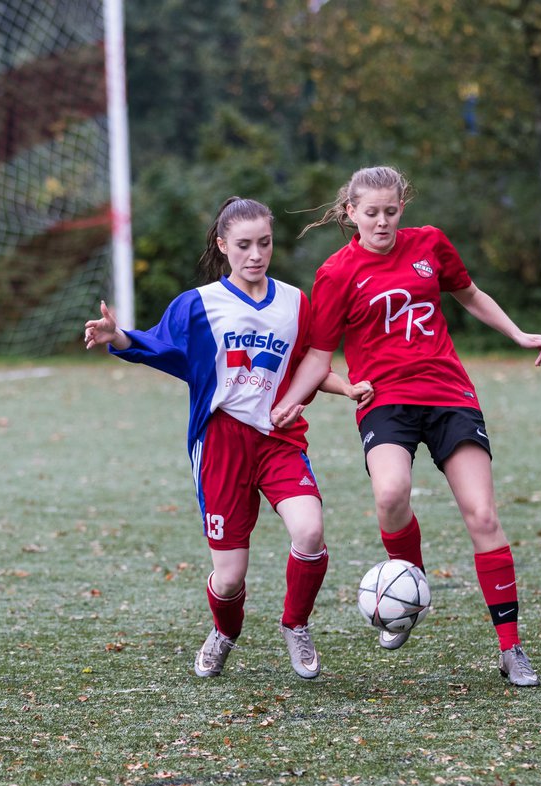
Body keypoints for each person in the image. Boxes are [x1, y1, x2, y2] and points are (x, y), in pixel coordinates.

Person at [271, 165, 541, 688]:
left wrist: (518, 333)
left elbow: (469, 294)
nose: (382, 222)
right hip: (385, 403)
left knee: (483, 516)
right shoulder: (336, 273)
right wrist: (292, 400)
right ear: (350, 211)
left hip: (449, 396)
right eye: (371, 213)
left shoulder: (430, 245)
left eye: (391, 211)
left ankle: (511, 649)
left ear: (403, 208)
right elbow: (317, 356)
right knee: (391, 495)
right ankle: (412, 588)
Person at [84, 196, 373, 680]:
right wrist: (119, 337)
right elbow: (157, 346)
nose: (256, 254)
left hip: (279, 439)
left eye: (264, 243)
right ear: (222, 245)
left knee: (310, 531)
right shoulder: (198, 305)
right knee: (231, 576)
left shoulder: (295, 303)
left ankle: (296, 624)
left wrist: (345, 387)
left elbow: (309, 363)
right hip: (221, 444)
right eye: (243, 245)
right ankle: (224, 632)